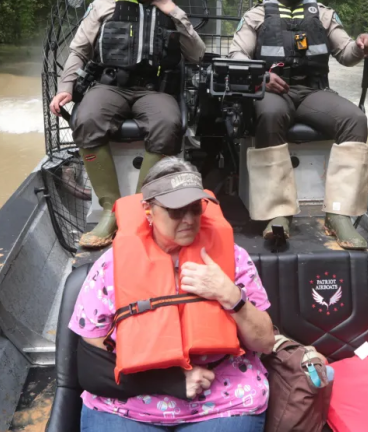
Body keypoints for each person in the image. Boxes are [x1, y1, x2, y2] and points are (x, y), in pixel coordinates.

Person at [69, 157, 276, 431]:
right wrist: (170, 381)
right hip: (128, 404)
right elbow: (91, 362)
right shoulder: (110, 268)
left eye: (195, 208)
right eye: (176, 211)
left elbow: (265, 343)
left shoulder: (234, 260)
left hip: (222, 401)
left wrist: (230, 296)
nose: (189, 220)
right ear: (148, 210)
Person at [48, 0, 205, 249]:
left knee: (169, 124)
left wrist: (174, 15)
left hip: (152, 89)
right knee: (86, 118)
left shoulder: (169, 10)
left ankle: (137, 207)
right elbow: (79, 50)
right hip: (110, 86)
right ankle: (110, 209)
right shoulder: (104, 6)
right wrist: (66, 86)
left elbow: (197, 54)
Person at [228, 0, 368, 249]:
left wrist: (363, 45)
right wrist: (261, 78)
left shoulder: (323, 13)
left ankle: (339, 214)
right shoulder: (256, 15)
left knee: (355, 120)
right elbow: (237, 56)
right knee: (269, 116)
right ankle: (278, 213)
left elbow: (347, 54)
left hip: (312, 92)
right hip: (273, 91)